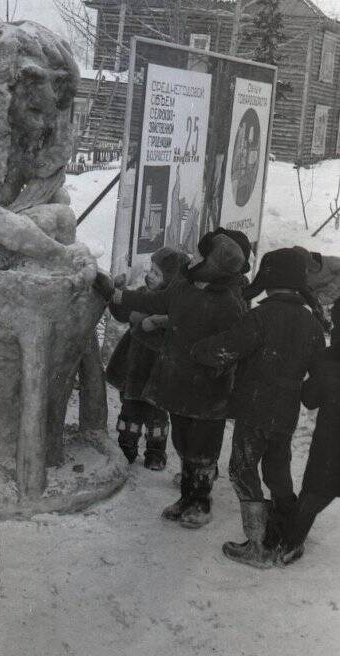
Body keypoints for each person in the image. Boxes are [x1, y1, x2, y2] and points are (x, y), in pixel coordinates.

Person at [95, 231, 246, 528]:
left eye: (201, 255)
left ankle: (201, 502)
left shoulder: (230, 302)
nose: (194, 259)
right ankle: (187, 497)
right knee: (183, 443)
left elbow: (237, 343)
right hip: (178, 385)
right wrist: (115, 294)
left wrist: (209, 355)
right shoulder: (184, 289)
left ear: (213, 264)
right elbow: (152, 300)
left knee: (203, 450)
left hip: (209, 393)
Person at [192, 248, 325, 568]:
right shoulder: (311, 321)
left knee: (242, 469)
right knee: (277, 469)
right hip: (286, 411)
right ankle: (285, 531)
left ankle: (258, 544)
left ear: (272, 278)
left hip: (255, 409)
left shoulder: (262, 316)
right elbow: (318, 371)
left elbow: (228, 348)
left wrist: (198, 349)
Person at [106, 247, 189, 470]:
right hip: (133, 367)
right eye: (151, 270)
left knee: (156, 415)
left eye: (158, 273)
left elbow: (168, 331)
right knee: (130, 409)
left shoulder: (175, 305)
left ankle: (155, 452)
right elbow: (123, 313)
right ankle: (127, 447)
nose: (151, 275)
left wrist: (143, 322)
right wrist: (118, 292)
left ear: (172, 281)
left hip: (158, 372)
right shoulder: (142, 294)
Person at [279, 296, 340, 565]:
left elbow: (310, 399)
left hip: (331, 444)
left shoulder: (330, 359)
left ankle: (290, 543)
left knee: (315, 490)